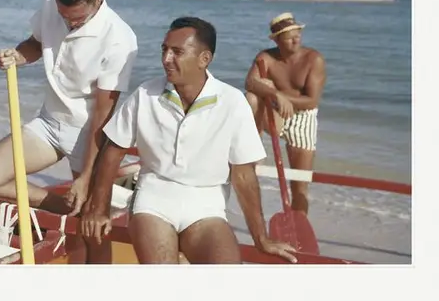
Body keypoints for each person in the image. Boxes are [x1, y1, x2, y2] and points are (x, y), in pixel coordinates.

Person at [80, 16, 297, 264]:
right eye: (164, 50)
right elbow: (112, 151)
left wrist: (261, 238)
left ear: (204, 59)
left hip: (207, 206)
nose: (166, 59)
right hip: (153, 199)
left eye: (177, 52)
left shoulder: (232, 101)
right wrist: (98, 208)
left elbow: (244, 174)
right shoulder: (145, 94)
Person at [0, 0, 138, 263]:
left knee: (92, 227)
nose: (69, 23)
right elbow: (36, 43)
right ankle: (68, 206)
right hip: (48, 122)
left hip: (89, 133)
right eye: (63, 16)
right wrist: (18, 56)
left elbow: (102, 116)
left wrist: (85, 176)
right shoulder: (51, 4)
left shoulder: (120, 39)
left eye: (77, 19)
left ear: (97, 1)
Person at [243, 12, 326, 215]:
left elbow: (312, 100)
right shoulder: (266, 57)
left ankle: (299, 225)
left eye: (298, 34)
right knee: (251, 98)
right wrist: (274, 94)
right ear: (278, 40)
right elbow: (250, 82)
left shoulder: (313, 59)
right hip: (276, 113)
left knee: (300, 184)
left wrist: (282, 96)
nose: (296, 39)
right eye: (289, 36)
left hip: (303, 117)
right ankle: (254, 150)